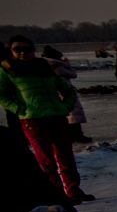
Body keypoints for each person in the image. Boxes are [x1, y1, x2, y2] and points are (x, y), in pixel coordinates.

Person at [1, 36, 87, 200]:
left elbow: (68, 90)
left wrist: (65, 107)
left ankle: (73, 191)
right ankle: (56, 195)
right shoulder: (7, 70)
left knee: (66, 157)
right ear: (11, 51)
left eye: (27, 49)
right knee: (46, 161)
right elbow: (2, 95)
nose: (22, 53)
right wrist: (19, 109)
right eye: (17, 49)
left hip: (57, 117)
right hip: (33, 121)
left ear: (33, 50)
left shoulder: (43, 67)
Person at [41, 47, 89, 144]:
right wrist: (67, 64)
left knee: (66, 115)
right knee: (72, 114)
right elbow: (73, 74)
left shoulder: (45, 65)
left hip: (55, 92)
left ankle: (71, 135)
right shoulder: (57, 66)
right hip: (65, 91)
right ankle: (77, 135)